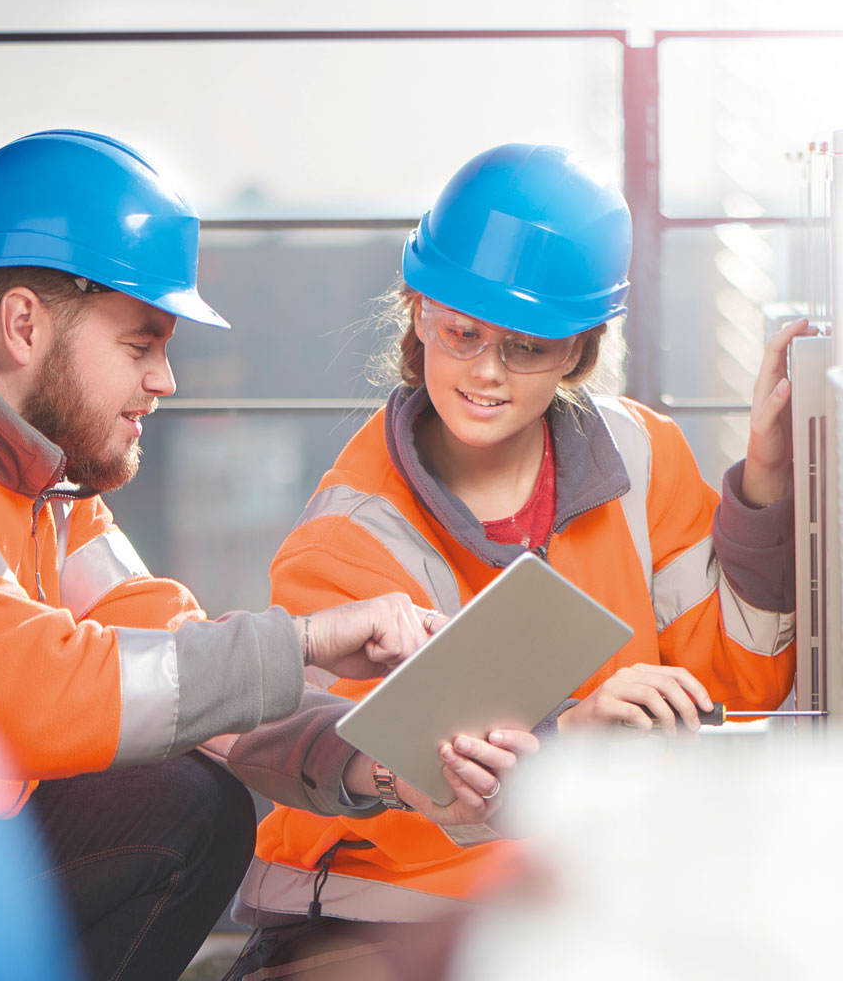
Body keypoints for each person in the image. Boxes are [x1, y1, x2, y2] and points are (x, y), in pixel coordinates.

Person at [0, 129, 530, 981]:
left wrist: (372, 761)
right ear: (23, 324)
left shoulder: (44, 485)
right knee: (175, 808)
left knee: (183, 803)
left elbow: (182, 678)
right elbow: (33, 688)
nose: (165, 380)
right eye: (142, 343)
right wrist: (307, 639)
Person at [228, 142, 808, 978]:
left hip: (582, 901)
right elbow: (415, 780)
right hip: (376, 913)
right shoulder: (352, 533)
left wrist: (761, 482)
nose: (487, 373)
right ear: (417, 314)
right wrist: (572, 731)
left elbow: (737, 682)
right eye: (462, 332)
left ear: (576, 351)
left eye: (527, 346)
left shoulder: (643, 457)